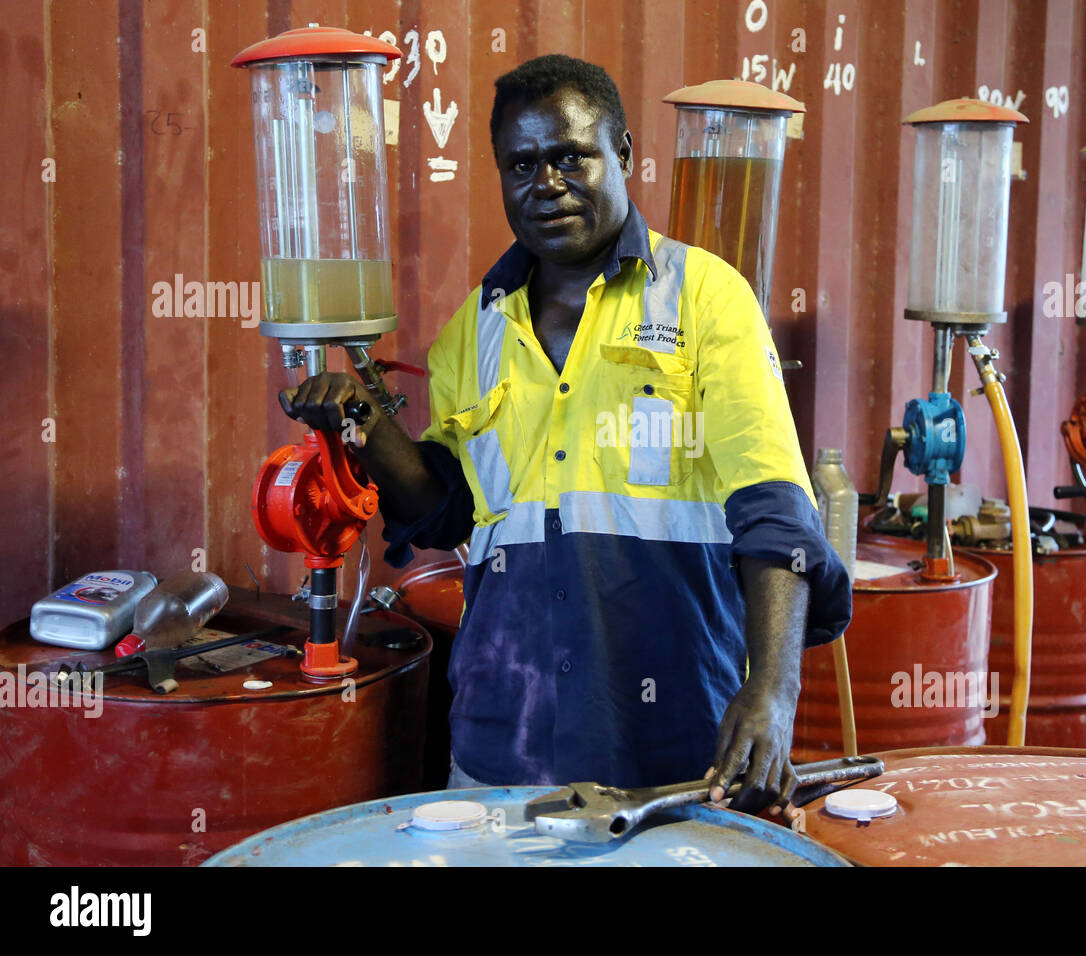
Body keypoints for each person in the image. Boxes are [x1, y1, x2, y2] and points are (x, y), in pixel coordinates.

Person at [280, 54, 851, 813]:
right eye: (522, 165)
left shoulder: (706, 298)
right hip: (503, 744)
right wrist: (362, 421)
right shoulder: (475, 330)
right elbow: (447, 508)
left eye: (570, 157)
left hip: (675, 748)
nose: (545, 184)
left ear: (622, 156)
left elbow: (775, 508)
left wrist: (773, 692)